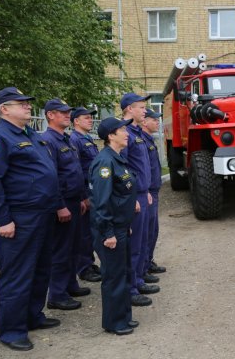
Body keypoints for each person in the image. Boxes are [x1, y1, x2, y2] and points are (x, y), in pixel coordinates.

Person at [0, 87, 61, 351]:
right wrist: (3, 219)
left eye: (27, 103)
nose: (27, 106)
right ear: (4, 109)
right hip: (19, 216)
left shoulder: (30, 135)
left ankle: (33, 316)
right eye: (21, 103)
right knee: (17, 273)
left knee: (41, 268)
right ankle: (12, 331)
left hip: (42, 213)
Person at [89, 117, 140, 335]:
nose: (127, 133)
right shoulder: (105, 162)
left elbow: (121, 195)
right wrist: (108, 233)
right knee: (113, 277)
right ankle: (114, 322)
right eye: (122, 130)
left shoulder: (116, 159)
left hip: (120, 227)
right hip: (110, 231)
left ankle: (124, 317)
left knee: (123, 274)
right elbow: (101, 202)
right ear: (111, 136)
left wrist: (124, 224)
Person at [42, 99, 89, 311]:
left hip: (74, 200)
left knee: (73, 246)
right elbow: (52, 177)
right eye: (62, 112)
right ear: (50, 115)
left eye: (68, 112)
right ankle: (57, 294)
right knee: (61, 250)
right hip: (62, 203)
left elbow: (75, 171)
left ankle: (70, 284)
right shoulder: (48, 141)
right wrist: (60, 205)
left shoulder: (67, 139)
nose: (67, 115)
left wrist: (81, 197)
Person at [120, 93, 160, 307]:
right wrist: (132, 195)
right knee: (134, 244)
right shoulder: (124, 132)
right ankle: (131, 288)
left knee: (142, 240)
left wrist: (144, 191)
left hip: (143, 193)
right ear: (129, 109)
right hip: (134, 196)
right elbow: (123, 167)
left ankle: (138, 279)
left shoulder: (136, 132)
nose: (144, 111)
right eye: (140, 107)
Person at [69, 106, 102, 283]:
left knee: (89, 231)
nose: (90, 120)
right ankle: (83, 267)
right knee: (84, 233)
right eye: (86, 117)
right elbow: (77, 170)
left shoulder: (86, 138)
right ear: (76, 121)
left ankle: (89, 263)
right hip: (84, 192)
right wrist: (83, 195)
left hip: (91, 190)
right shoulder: (75, 139)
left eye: (91, 117)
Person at [142, 109, 167, 278]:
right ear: (144, 122)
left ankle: (147, 262)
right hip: (147, 191)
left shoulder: (147, 139)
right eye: (154, 119)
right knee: (146, 232)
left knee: (152, 230)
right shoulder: (140, 140)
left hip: (152, 190)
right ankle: (142, 268)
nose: (157, 122)